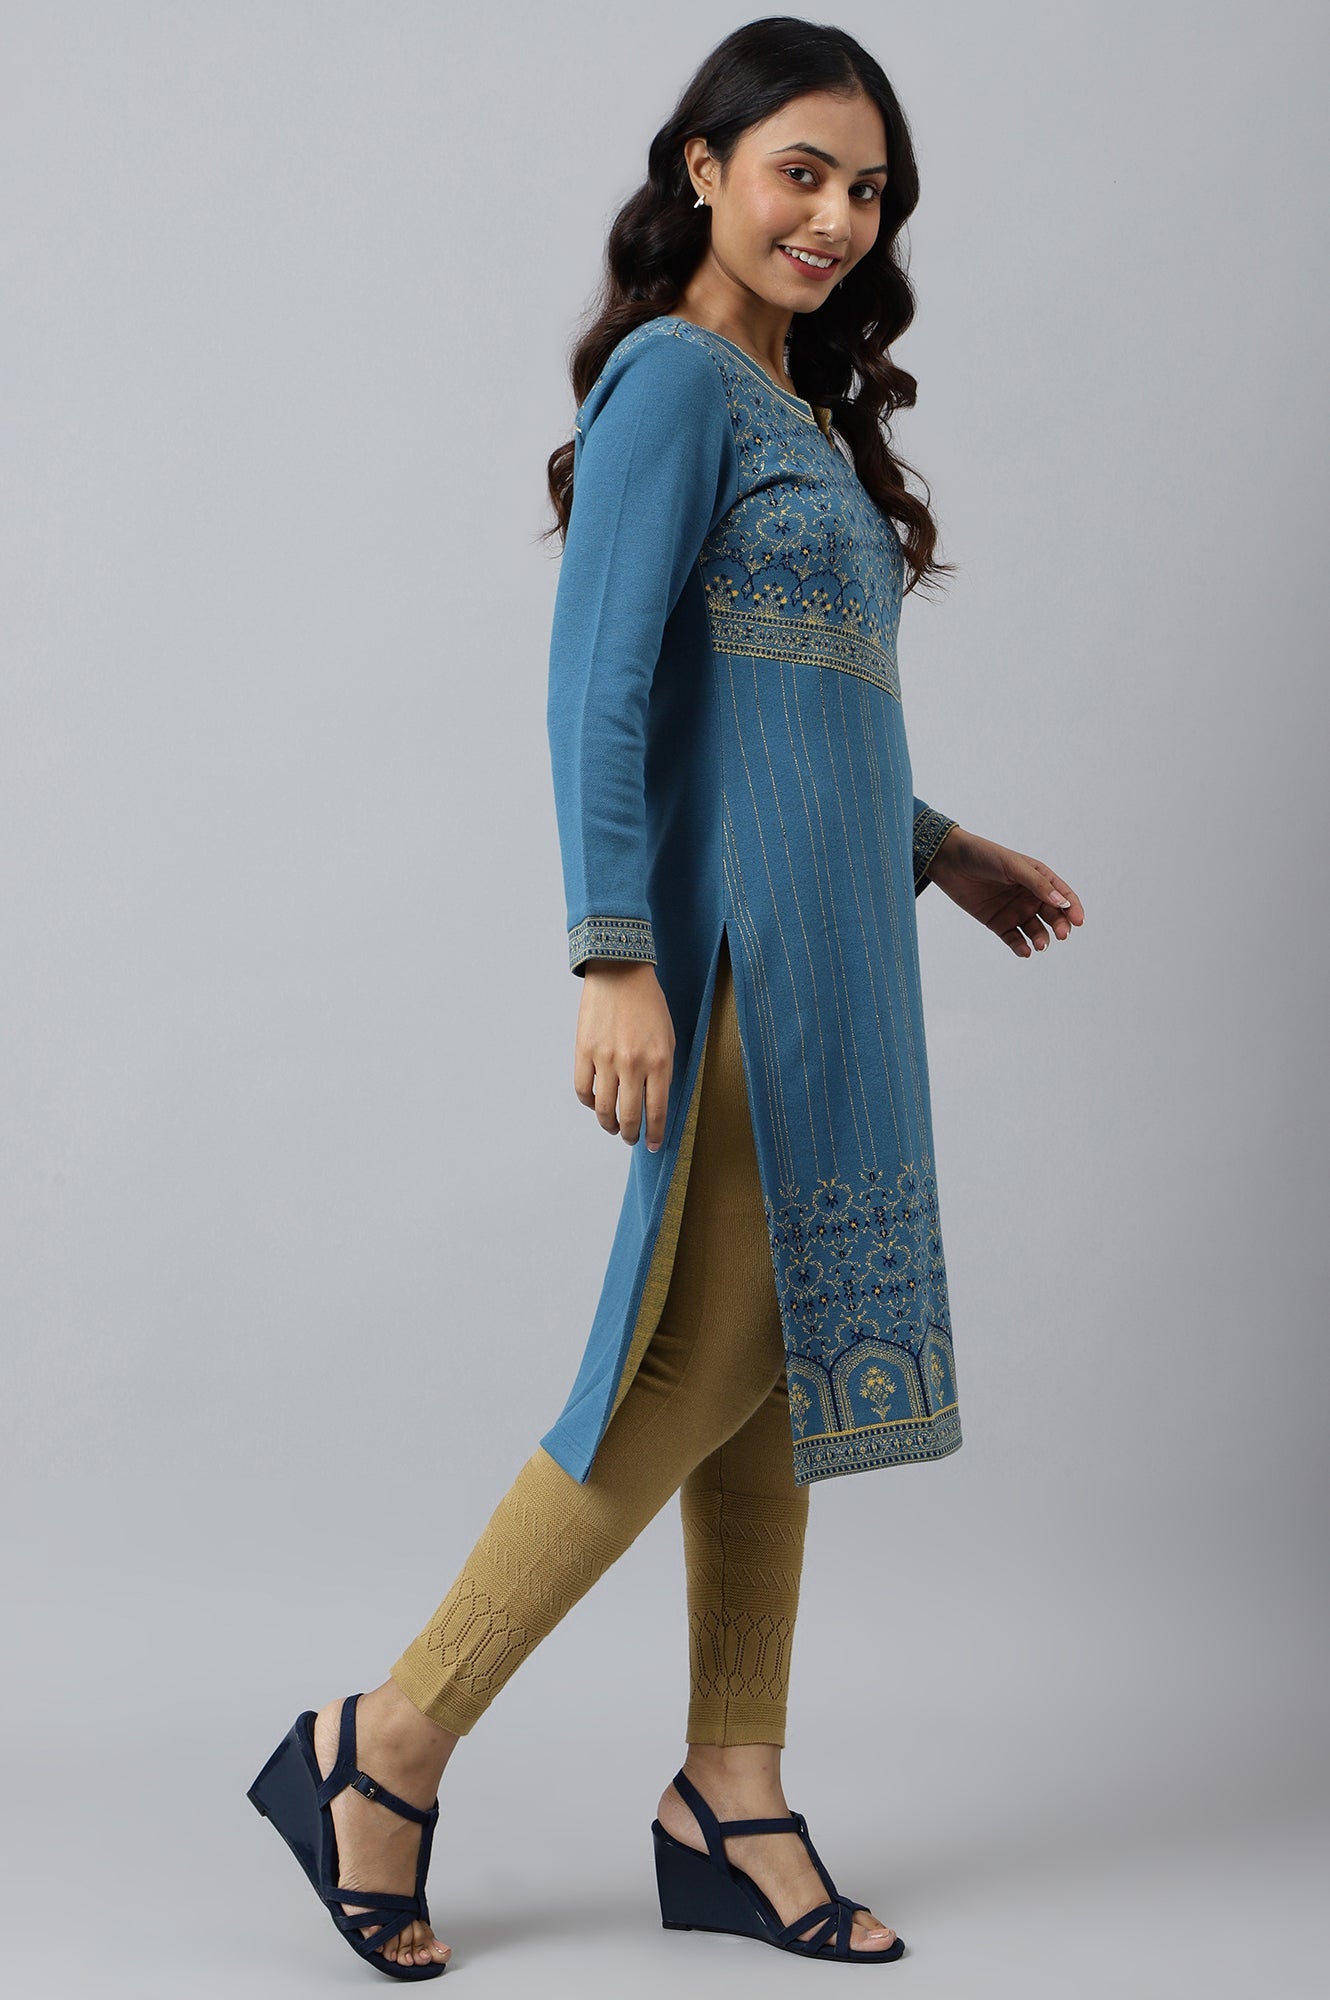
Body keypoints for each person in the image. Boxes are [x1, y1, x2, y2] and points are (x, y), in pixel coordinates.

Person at [248, 16, 1083, 1978]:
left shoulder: (800, 411)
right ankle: (385, 1740)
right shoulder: (670, 383)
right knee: (680, 1361)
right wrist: (609, 952)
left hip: (839, 957)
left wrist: (938, 842)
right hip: (726, 958)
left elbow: (783, 714)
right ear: (700, 167)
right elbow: (599, 684)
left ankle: (732, 1787)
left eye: (866, 189)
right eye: (799, 169)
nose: (834, 216)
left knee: (772, 1366)